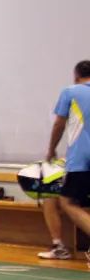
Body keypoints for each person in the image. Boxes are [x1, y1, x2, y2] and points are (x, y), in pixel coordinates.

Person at [39, 60, 90, 265]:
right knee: (52, 196)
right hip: (78, 163)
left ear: (76, 76)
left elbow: (59, 123)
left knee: (67, 203)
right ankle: (59, 247)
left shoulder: (71, 92)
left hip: (82, 161)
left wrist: (51, 149)